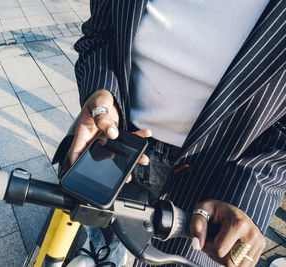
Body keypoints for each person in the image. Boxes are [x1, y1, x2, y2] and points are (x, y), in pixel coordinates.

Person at [53, 0, 286, 266]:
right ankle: (102, 250)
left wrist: (248, 194)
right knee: (100, 231)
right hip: (121, 142)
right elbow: (100, 33)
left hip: (217, 176)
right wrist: (102, 90)